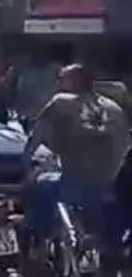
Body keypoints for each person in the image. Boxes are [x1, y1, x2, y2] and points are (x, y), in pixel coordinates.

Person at [22, 64, 130, 275]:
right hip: (111, 187)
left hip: (74, 184)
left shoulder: (61, 102)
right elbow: (125, 147)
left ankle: (37, 244)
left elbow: (35, 138)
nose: (59, 84)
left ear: (74, 82)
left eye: (62, 79)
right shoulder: (114, 109)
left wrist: (25, 162)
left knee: (38, 183)